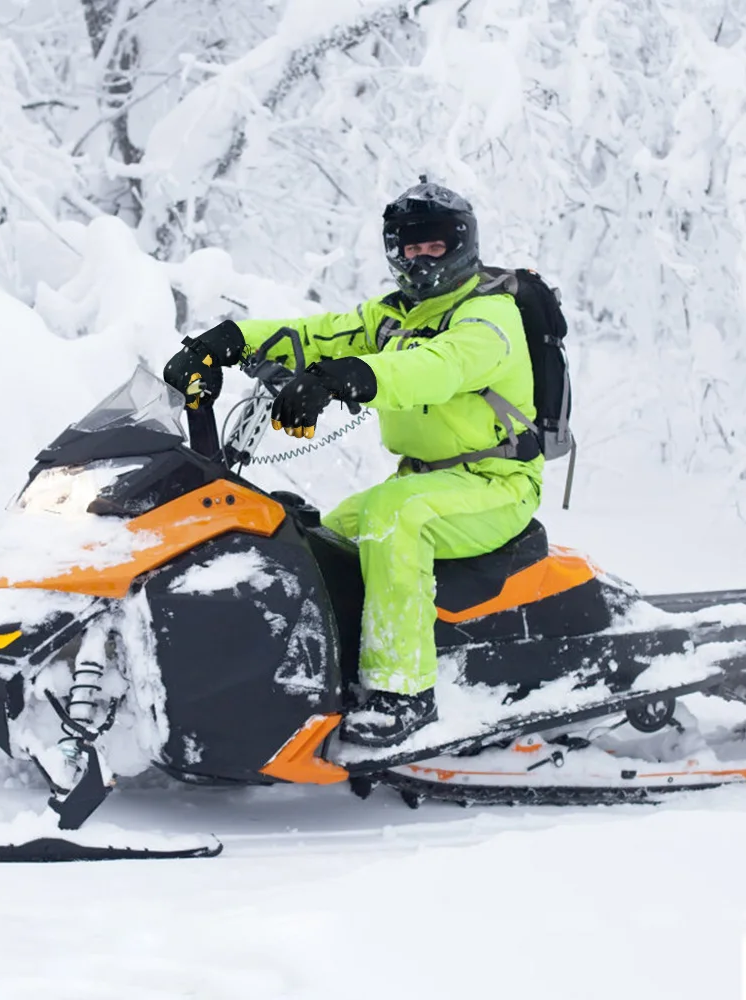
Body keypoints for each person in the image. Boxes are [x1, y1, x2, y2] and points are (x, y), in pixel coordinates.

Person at [163, 181, 543, 748]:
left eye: (433, 246)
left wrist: (355, 377)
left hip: (498, 486)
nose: (421, 258)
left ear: (461, 245)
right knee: (315, 540)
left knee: (395, 517)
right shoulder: (395, 316)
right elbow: (317, 336)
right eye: (409, 248)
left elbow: (438, 369)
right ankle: (319, 681)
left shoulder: (489, 316)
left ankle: (403, 692)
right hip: (428, 481)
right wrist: (233, 340)